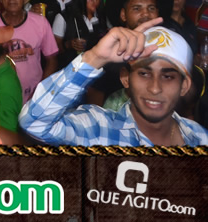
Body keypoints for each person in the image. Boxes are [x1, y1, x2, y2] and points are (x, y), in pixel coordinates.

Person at [19, 22, 208, 146]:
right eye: (144, 74)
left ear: (184, 86)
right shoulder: (97, 129)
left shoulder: (200, 138)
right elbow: (34, 123)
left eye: (167, 77)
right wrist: (95, 58)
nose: (155, 88)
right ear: (125, 78)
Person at [0, 0, 58, 103]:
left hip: (34, 98)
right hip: (0, 99)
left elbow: (52, 60)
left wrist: (40, 91)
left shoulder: (40, 23)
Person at [52, 0, 108, 70]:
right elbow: (54, 50)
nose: (95, 1)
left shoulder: (101, 17)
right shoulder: (64, 17)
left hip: (98, 70)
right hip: (72, 70)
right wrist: (69, 45)